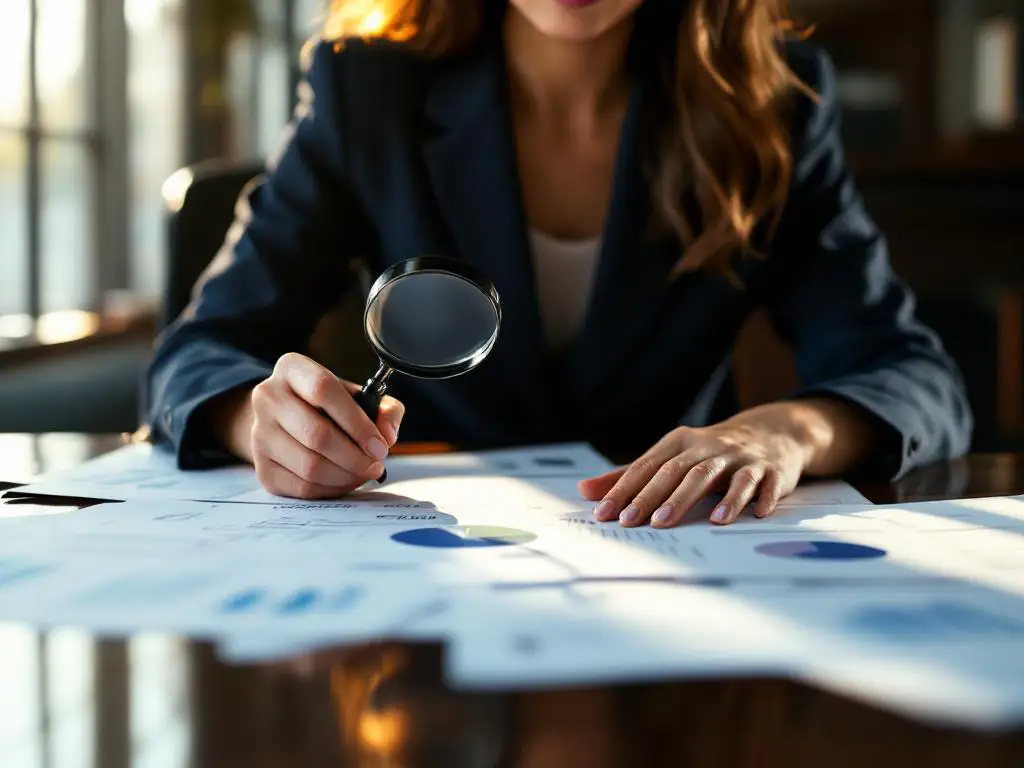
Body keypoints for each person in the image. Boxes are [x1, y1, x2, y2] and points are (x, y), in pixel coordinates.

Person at [145, 0, 972, 528]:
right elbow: (198, 351)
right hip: (424, 562)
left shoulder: (775, 106)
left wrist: (785, 431)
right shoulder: (368, 87)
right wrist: (258, 423)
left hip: (678, 566)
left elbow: (912, 374)